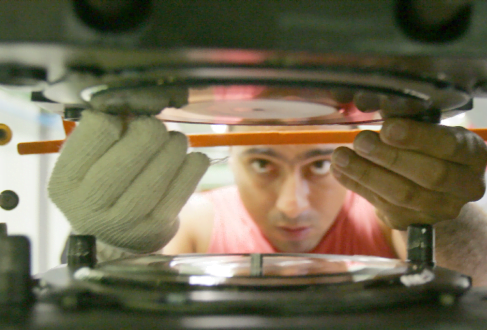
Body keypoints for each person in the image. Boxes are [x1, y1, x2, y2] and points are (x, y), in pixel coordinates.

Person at [49, 106, 487, 286]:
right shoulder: (199, 224)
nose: (291, 205)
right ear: (233, 158)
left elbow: (476, 283)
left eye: (319, 165)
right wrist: (110, 242)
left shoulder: (385, 216)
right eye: (262, 164)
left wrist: (444, 212)